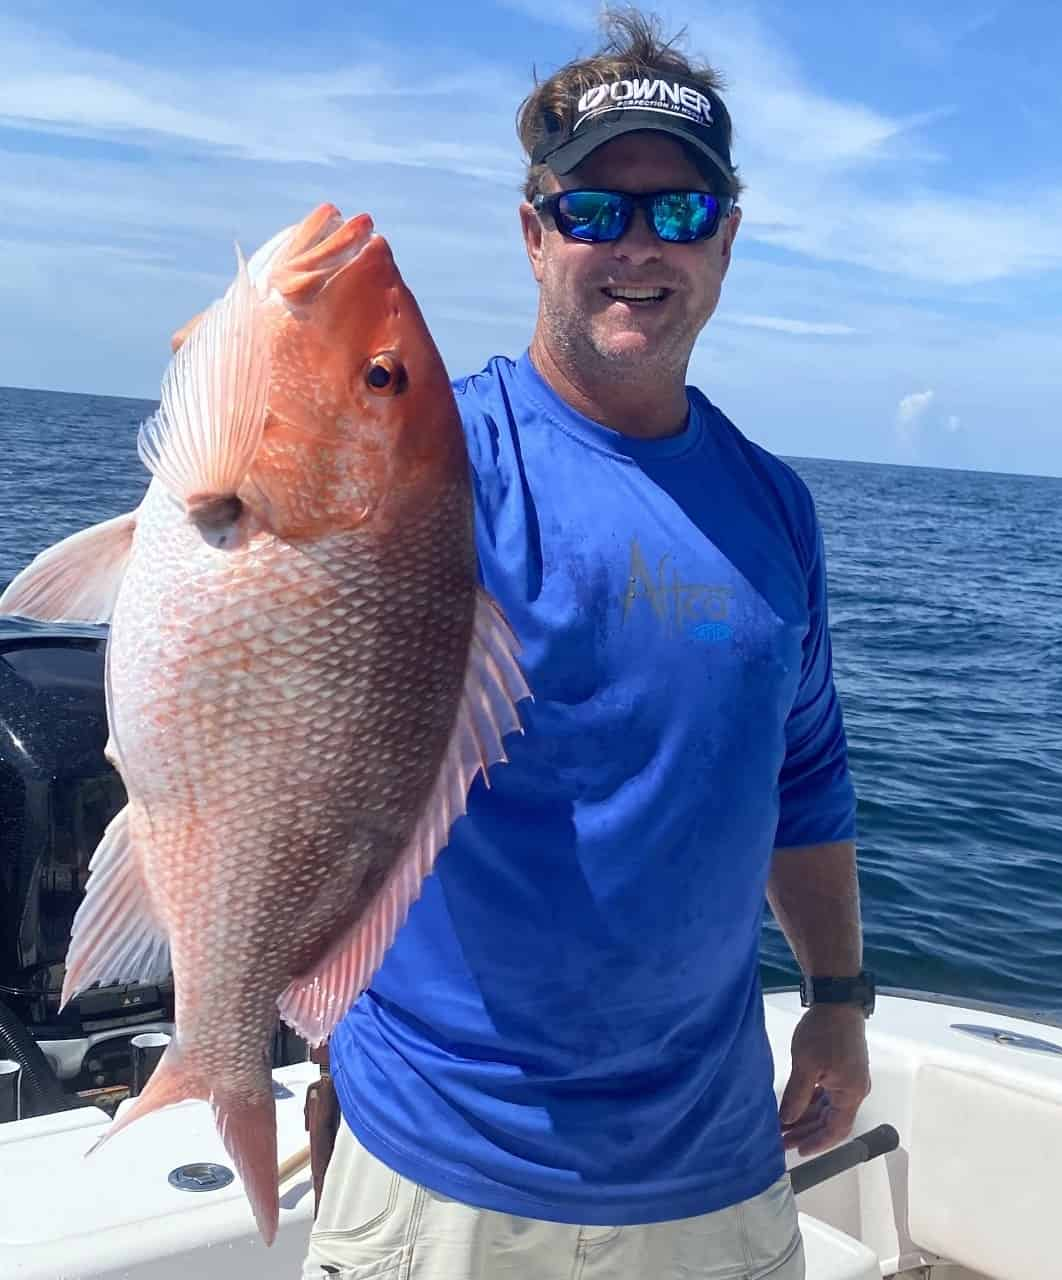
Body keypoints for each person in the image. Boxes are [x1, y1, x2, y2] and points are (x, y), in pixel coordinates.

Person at [304, 11, 871, 1279]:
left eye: (677, 215)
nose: (635, 247)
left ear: (724, 243)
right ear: (531, 231)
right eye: (594, 209)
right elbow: (296, 711)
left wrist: (837, 999)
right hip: (445, 1152)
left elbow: (805, 775)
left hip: (715, 1155)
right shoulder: (427, 463)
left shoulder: (777, 506)